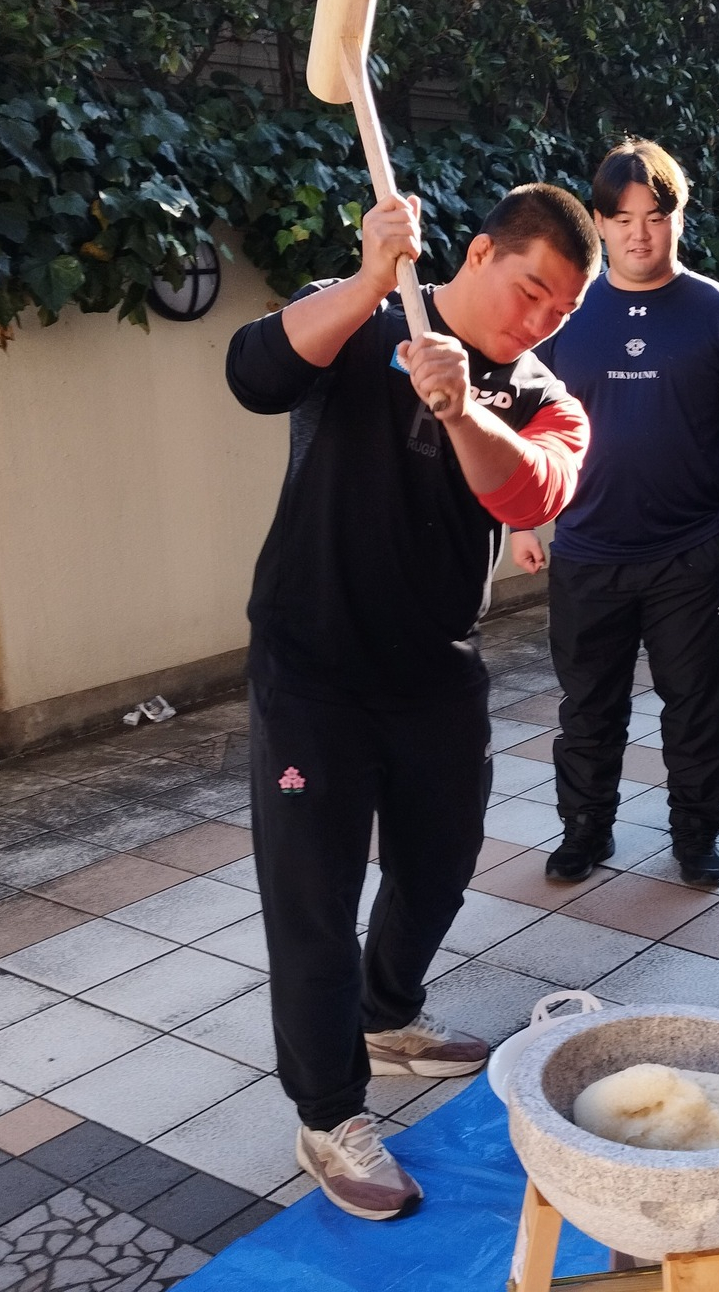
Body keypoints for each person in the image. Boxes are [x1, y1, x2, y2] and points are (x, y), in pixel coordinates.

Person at [226, 184, 600, 1221]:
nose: (540, 320)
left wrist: (463, 406)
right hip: (311, 665)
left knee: (439, 863)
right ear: (477, 253)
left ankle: (386, 1014)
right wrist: (365, 278)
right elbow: (253, 374)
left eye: (563, 309)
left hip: (436, 667)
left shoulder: (539, 394)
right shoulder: (359, 316)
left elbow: (532, 492)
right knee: (314, 899)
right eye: (530, 290)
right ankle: (328, 1113)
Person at [510, 140, 719, 886]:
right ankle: (584, 833)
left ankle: (695, 838)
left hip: (690, 556)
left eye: (655, 217)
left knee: (696, 713)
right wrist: (523, 518)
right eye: (622, 219)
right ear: (598, 222)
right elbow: (518, 420)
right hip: (586, 551)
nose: (639, 234)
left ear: (677, 219)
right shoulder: (562, 315)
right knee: (588, 710)